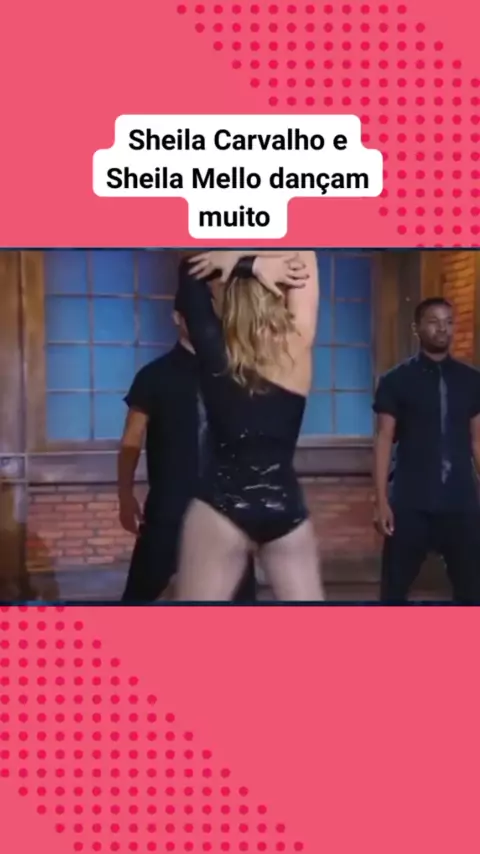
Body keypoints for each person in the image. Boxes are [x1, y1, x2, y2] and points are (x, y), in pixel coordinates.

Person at [173, 250, 324, 602]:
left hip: (221, 506)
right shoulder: (298, 342)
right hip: (283, 504)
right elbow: (306, 253)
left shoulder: (212, 347)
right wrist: (257, 262)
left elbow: (189, 268)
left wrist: (244, 263)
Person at [118, 296, 257, 604]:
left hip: (226, 509)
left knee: (241, 603)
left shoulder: (233, 374)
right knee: (139, 599)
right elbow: (131, 439)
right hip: (169, 508)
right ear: (177, 318)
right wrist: (125, 495)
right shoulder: (154, 376)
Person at [373, 296, 480, 604]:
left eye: (448, 322)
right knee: (393, 594)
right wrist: (381, 500)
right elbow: (383, 439)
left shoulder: (472, 380)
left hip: (460, 502)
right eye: (433, 322)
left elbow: (477, 441)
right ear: (417, 328)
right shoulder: (395, 381)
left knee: (472, 593)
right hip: (411, 502)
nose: (442, 328)